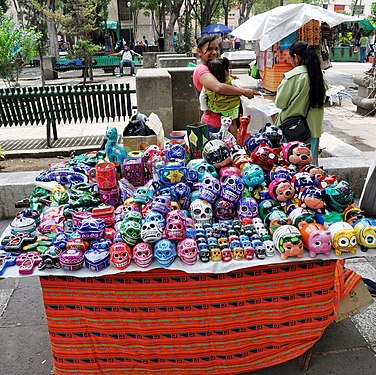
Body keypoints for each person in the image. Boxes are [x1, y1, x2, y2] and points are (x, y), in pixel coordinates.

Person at [192, 34, 259, 137]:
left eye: (216, 49)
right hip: (214, 125)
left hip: (229, 121)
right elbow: (218, 87)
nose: (215, 52)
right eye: (209, 49)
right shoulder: (202, 70)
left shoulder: (213, 68)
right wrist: (244, 92)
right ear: (199, 51)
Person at [275, 41, 328, 165]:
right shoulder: (319, 76)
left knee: (292, 164)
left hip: (293, 129)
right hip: (313, 129)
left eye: (290, 57)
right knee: (311, 164)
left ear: (296, 57)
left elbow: (280, 103)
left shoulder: (293, 76)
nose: (290, 61)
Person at [199, 57, 240, 137]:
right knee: (233, 124)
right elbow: (239, 88)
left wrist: (205, 108)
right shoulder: (230, 81)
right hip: (231, 108)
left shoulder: (209, 84)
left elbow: (202, 96)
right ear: (225, 71)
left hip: (216, 108)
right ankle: (236, 140)